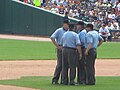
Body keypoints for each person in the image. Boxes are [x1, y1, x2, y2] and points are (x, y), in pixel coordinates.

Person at [50, 20, 69, 84]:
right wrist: (57, 46)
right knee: (60, 65)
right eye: (66, 24)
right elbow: (52, 37)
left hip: (67, 49)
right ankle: (55, 80)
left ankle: (63, 80)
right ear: (63, 24)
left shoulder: (69, 31)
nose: (67, 26)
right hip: (60, 48)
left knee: (66, 65)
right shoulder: (59, 30)